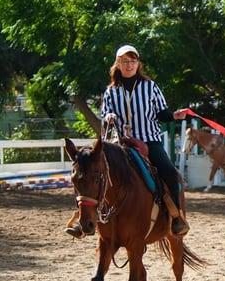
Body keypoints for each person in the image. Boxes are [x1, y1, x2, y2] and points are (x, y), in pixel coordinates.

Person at [65, 44, 189, 237]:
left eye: (132, 61)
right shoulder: (111, 91)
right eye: (124, 61)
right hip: (119, 144)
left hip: (149, 141)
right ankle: (83, 221)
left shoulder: (150, 87)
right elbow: (104, 115)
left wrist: (174, 115)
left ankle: (177, 217)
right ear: (118, 64)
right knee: (92, 173)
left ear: (138, 64)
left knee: (171, 174)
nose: (129, 65)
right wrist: (108, 117)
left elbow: (162, 113)